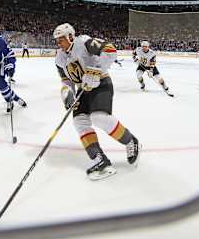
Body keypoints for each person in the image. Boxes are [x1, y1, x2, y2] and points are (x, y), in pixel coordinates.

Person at [54, 23, 140, 181]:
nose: (58, 43)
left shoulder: (83, 42)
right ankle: (100, 160)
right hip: (83, 89)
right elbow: (66, 81)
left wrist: (95, 70)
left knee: (99, 117)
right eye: (57, 41)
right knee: (79, 122)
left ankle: (131, 141)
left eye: (61, 40)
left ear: (70, 37)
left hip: (101, 83)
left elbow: (110, 50)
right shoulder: (59, 57)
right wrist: (67, 94)